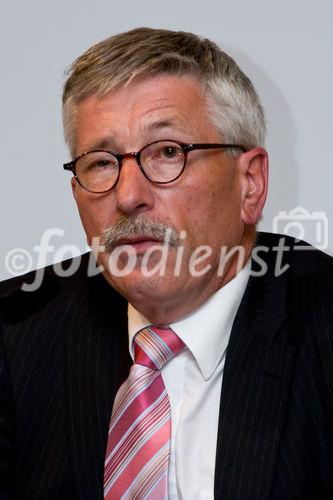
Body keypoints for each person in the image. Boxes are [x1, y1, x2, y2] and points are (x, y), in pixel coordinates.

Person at [0, 27, 333, 500]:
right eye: (101, 162)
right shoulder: (16, 335)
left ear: (251, 184)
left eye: (167, 153)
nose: (129, 195)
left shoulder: (322, 326)